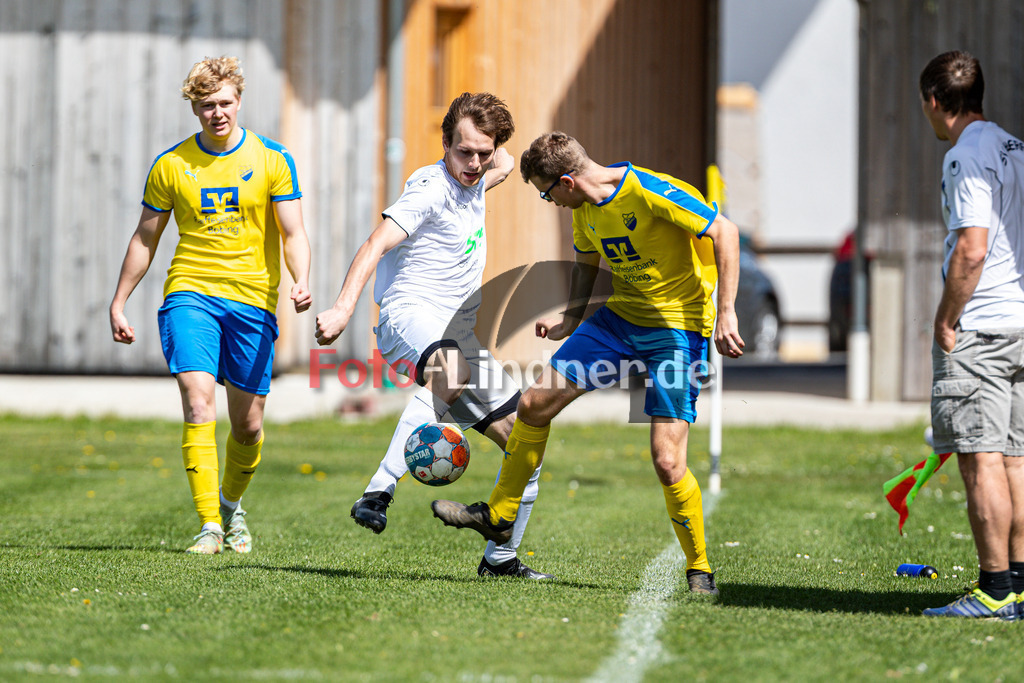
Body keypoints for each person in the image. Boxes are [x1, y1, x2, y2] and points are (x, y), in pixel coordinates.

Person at [431, 131, 744, 595]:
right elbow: (586, 264)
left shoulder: (649, 190)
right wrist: (569, 320)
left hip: (678, 333)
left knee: (667, 459)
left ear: (567, 182)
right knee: (534, 404)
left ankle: (700, 568)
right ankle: (498, 515)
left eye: (546, 192)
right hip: (617, 323)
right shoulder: (583, 210)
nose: (548, 201)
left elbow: (725, 231)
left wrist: (727, 312)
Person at [314, 93, 552, 579]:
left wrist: (493, 159)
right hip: (409, 316)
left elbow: (503, 161)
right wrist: (342, 309)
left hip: (459, 333)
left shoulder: (480, 174)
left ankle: (500, 560)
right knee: (452, 370)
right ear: (444, 143)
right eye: (464, 151)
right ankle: (378, 490)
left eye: (483, 153)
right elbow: (375, 244)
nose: (474, 163)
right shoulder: (428, 189)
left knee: (527, 442)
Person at [109, 56, 312, 555]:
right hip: (190, 293)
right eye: (206, 106)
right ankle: (209, 526)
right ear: (194, 109)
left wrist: (301, 279)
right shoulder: (172, 165)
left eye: (224, 103)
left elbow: (293, 232)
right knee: (198, 402)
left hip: (253, 301)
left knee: (248, 424)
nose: (217, 113)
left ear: (239, 100)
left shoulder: (272, 159)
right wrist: (119, 302)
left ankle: (230, 506)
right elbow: (145, 238)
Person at [919, 50, 1024, 620]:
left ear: (936, 101)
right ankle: (1021, 587)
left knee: (980, 459)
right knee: (1016, 458)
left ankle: (994, 590)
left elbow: (973, 247)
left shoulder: (966, 157)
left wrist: (945, 318)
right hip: (1021, 324)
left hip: (981, 327)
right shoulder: (1016, 148)